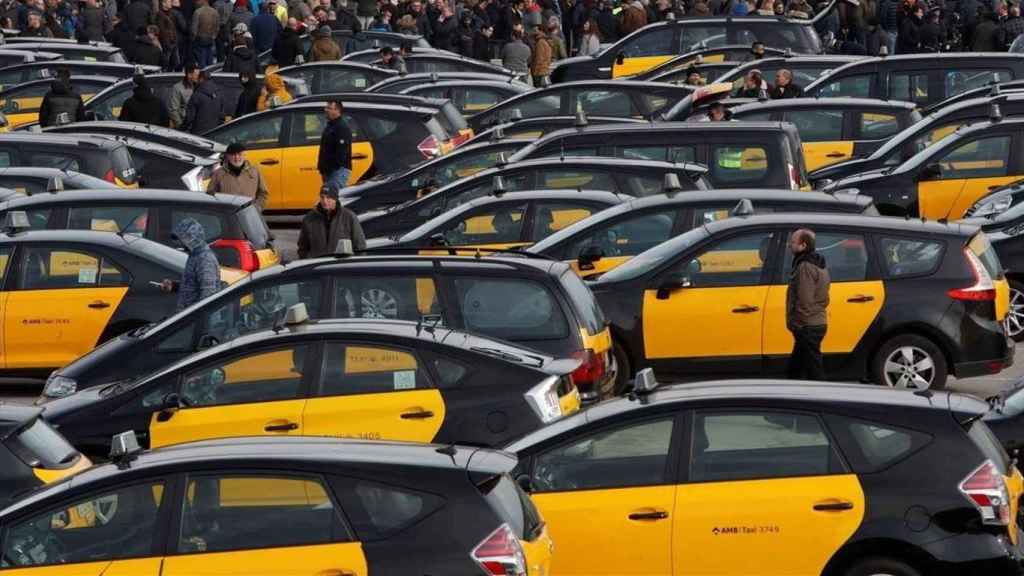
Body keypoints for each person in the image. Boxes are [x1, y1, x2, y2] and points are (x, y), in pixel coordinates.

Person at [786, 229, 830, 380]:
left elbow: (805, 299)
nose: (789, 245)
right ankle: (795, 395)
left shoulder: (805, 266)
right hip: (816, 322)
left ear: (803, 245)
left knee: (813, 370)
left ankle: (820, 398)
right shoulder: (819, 263)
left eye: (792, 242)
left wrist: (798, 325)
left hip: (808, 326)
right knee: (796, 367)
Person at [161, 218, 222, 311]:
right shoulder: (194, 255)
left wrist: (197, 319)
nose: (181, 243)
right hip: (190, 316)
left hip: (197, 319)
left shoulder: (205, 259)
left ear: (192, 238)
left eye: (183, 239)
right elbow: (193, 285)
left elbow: (208, 294)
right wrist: (174, 286)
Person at [297, 184, 366, 259]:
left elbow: (360, 246)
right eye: (322, 197)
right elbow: (302, 247)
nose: (324, 201)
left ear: (335, 199)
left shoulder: (349, 217)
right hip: (316, 266)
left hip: (340, 266)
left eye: (328, 198)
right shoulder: (309, 218)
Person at [207, 142, 269, 210]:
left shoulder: (255, 171)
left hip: (249, 214)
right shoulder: (218, 173)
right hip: (228, 214)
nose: (237, 158)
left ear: (245, 155)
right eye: (233, 155)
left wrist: (256, 208)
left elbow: (263, 193)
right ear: (227, 156)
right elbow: (210, 194)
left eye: (240, 154)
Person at [317, 99, 352, 190]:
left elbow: (341, 153)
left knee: (334, 199)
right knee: (330, 200)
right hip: (330, 171)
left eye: (329, 108)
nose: (325, 110)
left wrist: (330, 168)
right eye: (326, 107)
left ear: (337, 110)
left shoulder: (341, 127)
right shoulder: (331, 125)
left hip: (337, 171)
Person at [169, 63, 199, 129]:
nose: (198, 77)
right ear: (189, 75)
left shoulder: (199, 86)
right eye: (196, 75)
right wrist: (180, 126)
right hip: (185, 126)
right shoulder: (178, 88)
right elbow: (173, 110)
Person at [191, 0, 221, 67]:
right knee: (210, 57)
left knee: (201, 58)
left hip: (200, 38)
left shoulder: (197, 12)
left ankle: (203, 74)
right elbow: (217, 26)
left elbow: (194, 28)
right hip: (210, 38)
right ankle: (210, 73)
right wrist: (214, 36)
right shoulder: (215, 12)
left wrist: (193, 38)